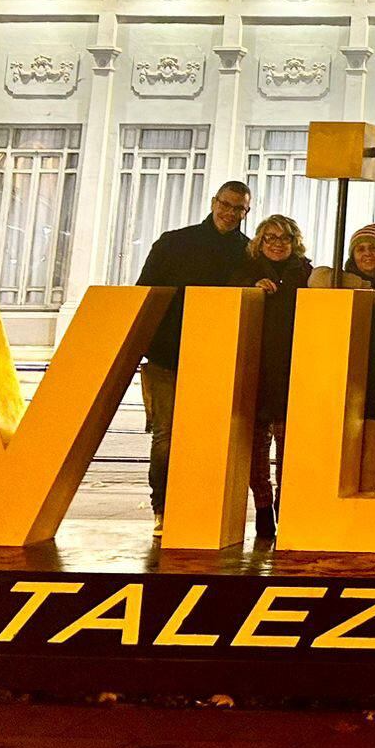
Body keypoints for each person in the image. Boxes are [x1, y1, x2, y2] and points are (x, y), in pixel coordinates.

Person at [135, 180, 253, 536]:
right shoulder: (174, 242)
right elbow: (146, 293)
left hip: (217, 357)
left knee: (205, 437)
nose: (230, 213)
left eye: (238, 208)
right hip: (167, 354)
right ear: (214, 202)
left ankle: (195, 507)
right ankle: (163, 509)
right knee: (166, 436)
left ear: (246, 212)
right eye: (226, 204)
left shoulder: (248, 252)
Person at [309, 223, 375, 495]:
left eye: (373, 248)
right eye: (361, 249)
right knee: (368, 442)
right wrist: (366, 287)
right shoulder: (343, 280)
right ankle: (366, 498)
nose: (367, 254)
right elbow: (316, 278)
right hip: (361, 374)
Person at [239, 213, 311, 541]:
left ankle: (286, 502)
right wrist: (251, 288)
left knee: (289, 447)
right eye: (270, 237)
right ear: (260, 241)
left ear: (294, 242)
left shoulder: (306, 273)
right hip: (254, 370)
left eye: (284, 238)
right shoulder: (246, 271)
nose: (277, 244)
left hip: (292, 371)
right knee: (256, 448)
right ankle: (263, 507)